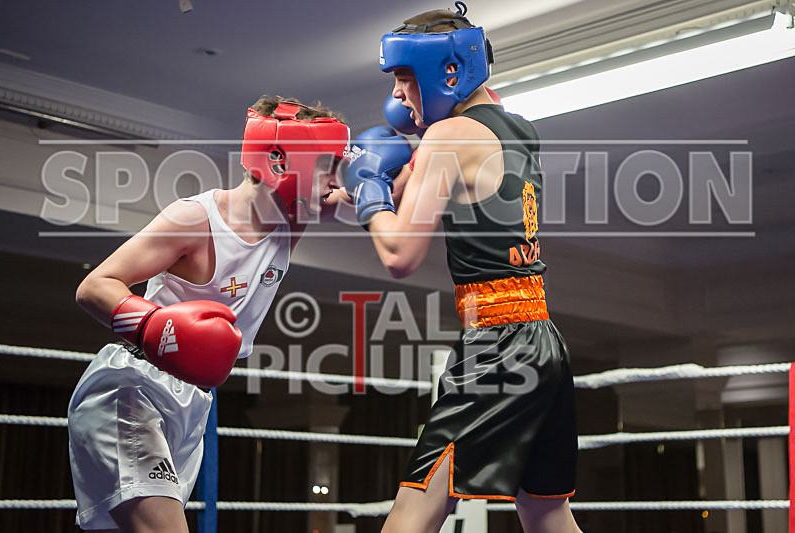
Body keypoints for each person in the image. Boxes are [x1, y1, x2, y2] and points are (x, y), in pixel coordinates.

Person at [329, 4, 583, 532]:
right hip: (542, 342)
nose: (396, 95)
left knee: (414, 510)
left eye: (403, 79)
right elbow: (407, 203)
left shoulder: (447, 139)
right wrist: (355, 194)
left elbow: (399, 252)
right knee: (545, 511)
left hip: (497, 349)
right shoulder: (517, 131)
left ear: (447, 72)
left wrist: (371, 186)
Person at [68, 96, 349, 532]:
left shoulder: (293, 218)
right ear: (279, 161)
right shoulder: (195, 220)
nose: (336, 180)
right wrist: (155, 328)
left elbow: (379, 201)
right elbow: (94, 287)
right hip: (133, 389)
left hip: (193, 401)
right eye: (328, 164)